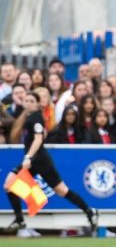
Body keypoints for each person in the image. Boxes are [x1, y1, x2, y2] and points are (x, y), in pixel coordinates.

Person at [4, 92, 98, 237]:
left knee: (61, 190)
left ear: (37, 104)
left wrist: (28, 156)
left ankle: (89, 211)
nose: (28, 103)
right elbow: (43, 134)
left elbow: (38, 138)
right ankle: (20, 219)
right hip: (35, 160)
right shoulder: (32, 118)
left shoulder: (36, 118)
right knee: (9, 184)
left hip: (39, 159)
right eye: (26, 100)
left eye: (31, 101)